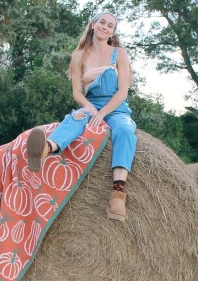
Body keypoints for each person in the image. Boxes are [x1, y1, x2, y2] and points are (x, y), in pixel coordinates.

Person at [26, 12, 137, 222]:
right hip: (91, 103)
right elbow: (77, 93)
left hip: (116, 107)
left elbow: (123, 91)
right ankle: (44, 149)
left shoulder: (119, 53)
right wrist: (91, 109)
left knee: (124, 129)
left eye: (110, 25)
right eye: (102, 22)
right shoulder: (79, 56)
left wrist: (103, 113)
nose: (105, 27)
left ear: (113, 32)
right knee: (75, 118)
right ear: (93, 25)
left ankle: (118, 194)